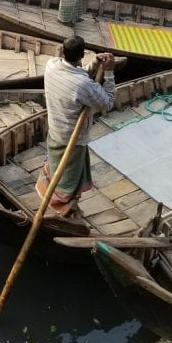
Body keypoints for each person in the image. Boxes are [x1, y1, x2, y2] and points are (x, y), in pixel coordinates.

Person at [36, 35, 117, 221]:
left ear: (63, 52)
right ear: (81, 54)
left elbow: (78, 74)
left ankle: (57, 199)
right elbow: (108, 103)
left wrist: (95, 64)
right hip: (72, 138)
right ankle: (66, 209)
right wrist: (110, 72)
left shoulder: (52, 65)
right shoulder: (83, 85)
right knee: (71, 179)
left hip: (55, 129)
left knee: (58, 168)